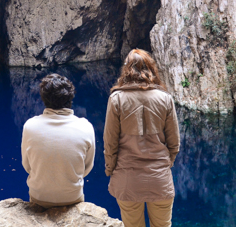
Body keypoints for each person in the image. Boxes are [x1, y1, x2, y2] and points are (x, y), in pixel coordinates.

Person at [103, 49, 180, 227]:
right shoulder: (165, 98)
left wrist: (110, 170)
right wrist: (165, 165)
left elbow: (110, 143)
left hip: (127, 178)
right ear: (151, 68)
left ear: (126, 70)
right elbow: (174, 143)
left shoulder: (117, 99)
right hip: (159, 179)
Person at [21, 73, 96, 208]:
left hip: (39, 196)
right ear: (70, 98)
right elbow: (87, 167)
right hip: (72, 197)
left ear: (44, 99)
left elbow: (27, 165)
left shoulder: (30, 126)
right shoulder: (86, 127)